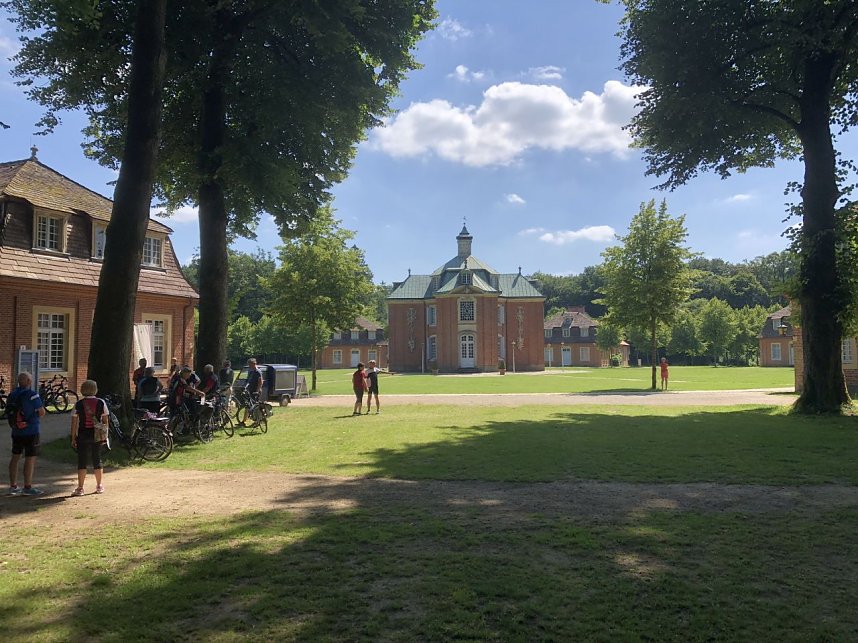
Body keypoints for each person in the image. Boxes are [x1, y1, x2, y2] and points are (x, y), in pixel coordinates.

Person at [7, 371, 46, 496]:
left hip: (16, 430)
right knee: (30, 458)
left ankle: (13, 485)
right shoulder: (32, 394)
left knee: (15, 457)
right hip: (31, 430)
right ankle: (27, 486)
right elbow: (41, 412)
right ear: (29, 382)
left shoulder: (12, 394)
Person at [70, 380, 109, 496]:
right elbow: (106, 420)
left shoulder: (79, 404)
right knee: (97, 459)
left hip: (82, 433)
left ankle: (80, 488)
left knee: (82, 461)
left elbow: (74, 422)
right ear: (95, 389)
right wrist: (105, 436)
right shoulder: (101, 402)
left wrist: (73, 437)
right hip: (96, 433)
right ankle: (99, 486)